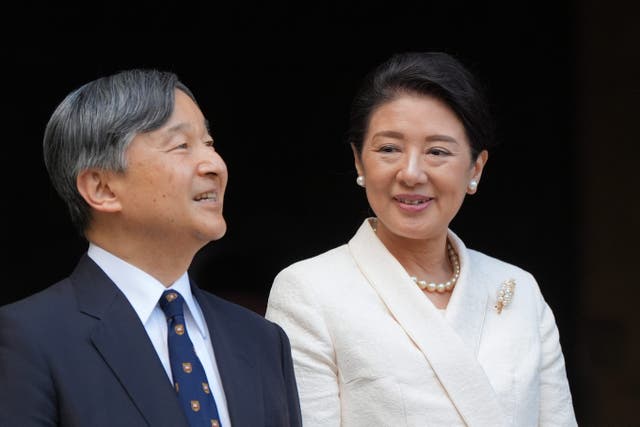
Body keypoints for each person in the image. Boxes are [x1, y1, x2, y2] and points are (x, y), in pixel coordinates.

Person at [265, 52, 577, 426]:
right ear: (359, 161)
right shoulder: (309, 291)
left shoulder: (520, 290)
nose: (411, 173)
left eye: (437, 152)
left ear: (475, 168)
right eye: (389, 149)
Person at [0, 69, 302, 427]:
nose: (215, 165)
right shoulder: (28, 338)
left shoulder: (261, 340)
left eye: (209, 143)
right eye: (181, 146)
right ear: (102, 189)